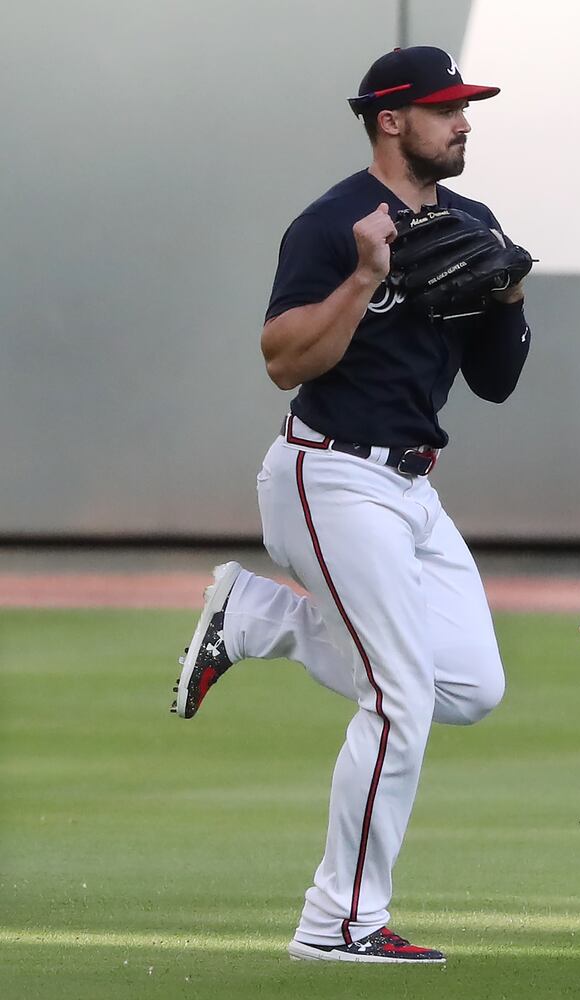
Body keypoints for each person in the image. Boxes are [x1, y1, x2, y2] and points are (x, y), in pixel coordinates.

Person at [170, 46, 532, 964]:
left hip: (411, 487)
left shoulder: (473, 223)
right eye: (446, 109)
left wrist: (510, 297)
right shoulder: (333, 223)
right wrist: (367, 275)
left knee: (469, 688)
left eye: (465, 107)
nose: (464, 122)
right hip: (327, 476)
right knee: (400, 696)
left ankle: (259, 617)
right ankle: (337, 921)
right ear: (390, 120)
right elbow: (283, 360)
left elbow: (496, 383)